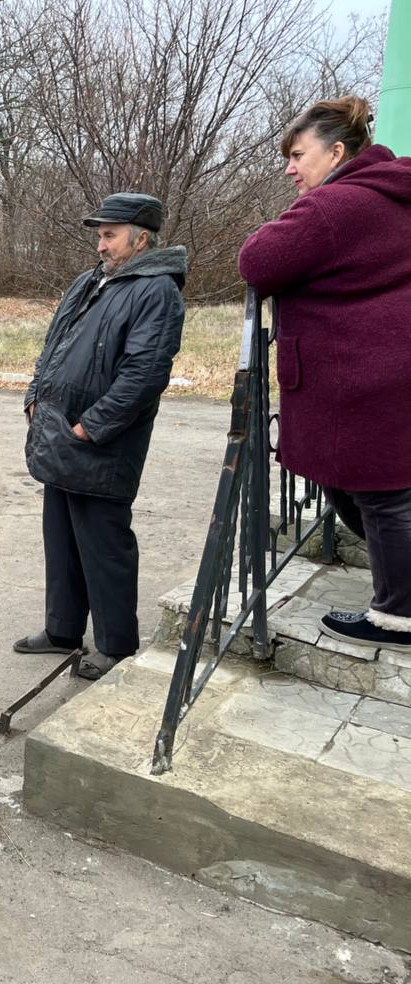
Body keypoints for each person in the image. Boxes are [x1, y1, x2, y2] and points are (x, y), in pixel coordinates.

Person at [239, 95, 411, 653]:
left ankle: (400, 615)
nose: (290, 168)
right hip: (388, 369)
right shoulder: (395, 191)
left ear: (337, 151)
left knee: (377, 494)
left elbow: (258, 261)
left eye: (297, 155)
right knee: (380, 489)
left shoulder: (336, 205)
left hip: (355, 379)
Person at [17, 193, 187, 680]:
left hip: (100, 444)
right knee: (62, 538)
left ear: (142, 237)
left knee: (104, 544)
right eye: (100, 235)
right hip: (56, 432)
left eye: (110, 235)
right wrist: (34, 396)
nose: (101, 245)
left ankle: (115, 645)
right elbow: (52, 346)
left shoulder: (156, 291)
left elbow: (144, 373)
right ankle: (62, 630)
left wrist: (92, 426)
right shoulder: (90, 281)